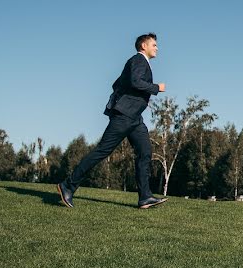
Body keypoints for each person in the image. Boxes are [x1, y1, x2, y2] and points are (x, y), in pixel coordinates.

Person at [56, 33, 168, 209]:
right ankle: (67, 186)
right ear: (143, 46)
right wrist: (156, 88)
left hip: (135, 119)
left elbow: (118, 84)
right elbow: (135, 81)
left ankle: (145, 197)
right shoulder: (138, 60)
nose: (157, 48)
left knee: (145, 152)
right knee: (102, 151)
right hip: (124, 117)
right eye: (154, 44)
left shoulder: (140, 63)